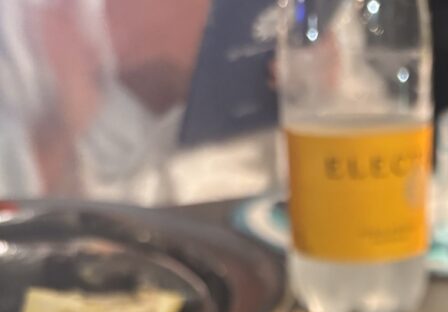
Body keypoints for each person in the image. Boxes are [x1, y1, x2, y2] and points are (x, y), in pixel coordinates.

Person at [0, 0, 277, 203]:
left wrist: (313, 95)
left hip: (266, 228)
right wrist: (58, 132)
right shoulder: (30, 20)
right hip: (94, 252)